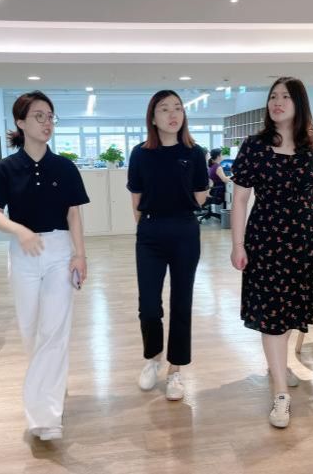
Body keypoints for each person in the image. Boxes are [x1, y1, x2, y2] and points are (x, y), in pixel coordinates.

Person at [230, 77, 313, 429]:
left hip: (305, 239)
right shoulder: (254, 145)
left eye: (285, 97)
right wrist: (238, 244)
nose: (277, 102)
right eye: (273, 96)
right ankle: (279, 391)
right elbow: (240, 199)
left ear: (299, 103)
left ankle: (278, 366)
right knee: (272, 313)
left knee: (290, 309)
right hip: (266, 239)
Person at [0, 90, 89, 441]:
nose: (47, 123)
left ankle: (45, 418)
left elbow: (74, 214)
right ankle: (51, 385)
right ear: (21, 122)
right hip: (23, 252)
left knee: (55, 330)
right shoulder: (5, 168)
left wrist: (80, 254)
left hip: (59, 250)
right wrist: (20, 231)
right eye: (38, 116)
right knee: (31, 329)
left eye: (50, 116)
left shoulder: (65, 167)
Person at [127, 90, 209, 401]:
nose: (173, 114)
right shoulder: (140, 153)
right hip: (150, 233)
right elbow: (136, 198)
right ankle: (153, 358)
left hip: (185, 231)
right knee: (149, 305)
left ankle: (176, 369)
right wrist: (147, 227)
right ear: (152, 117)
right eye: (164, 109)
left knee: (181, 302)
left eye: (177, 108)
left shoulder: (194, 152)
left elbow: (201, 195)